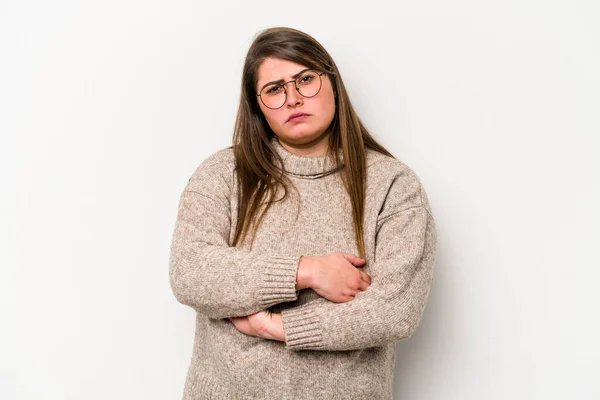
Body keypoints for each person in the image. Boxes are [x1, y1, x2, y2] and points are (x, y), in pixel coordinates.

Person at [168, 26, 438, 400]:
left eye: (305, 79)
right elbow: (191, 271)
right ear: (257, 105)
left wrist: (278, 327)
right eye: (275, 89)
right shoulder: (223, 175)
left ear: (332, 82)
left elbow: (394, 310)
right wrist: (307, 271)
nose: (293, 98)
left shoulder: (393, 185)